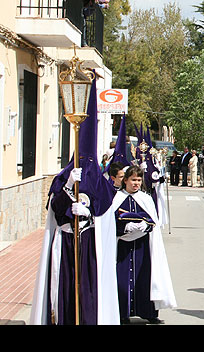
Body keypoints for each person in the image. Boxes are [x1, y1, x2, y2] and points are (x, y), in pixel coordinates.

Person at [30, 75, 119, 325]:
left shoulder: (100, 182)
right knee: (65, 291)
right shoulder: (63, 177)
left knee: (88, 293)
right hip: (66, 243)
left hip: (89, 245)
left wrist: (89, 212)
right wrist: (68, 188)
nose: (86, 165)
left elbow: (104, 213)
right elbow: (55, 210)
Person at [112, 165, 176, 324]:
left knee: (145, 278)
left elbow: (153, 221)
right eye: (133, 180)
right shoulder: (116, 198)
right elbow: (109, 223)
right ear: (125, 180)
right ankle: (122, 314)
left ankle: (149, 313)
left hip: (142, 246)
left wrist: (146, 226)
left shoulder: (146, 198)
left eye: (139, 180)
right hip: (122, 247)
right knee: (122, 280)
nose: (136, 183)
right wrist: (125, 227)